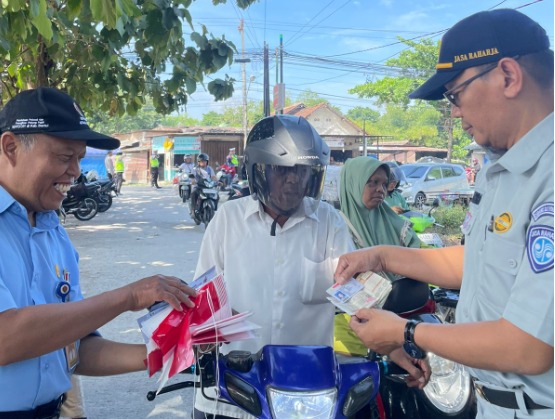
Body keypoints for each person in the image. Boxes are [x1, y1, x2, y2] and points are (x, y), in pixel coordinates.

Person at [334, 9, 553, 419]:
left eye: (455, 94)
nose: (453, 112)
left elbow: (529, 347)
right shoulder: (500, 169)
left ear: (508, 76)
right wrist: (380, 256)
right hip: (492, 401)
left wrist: (406, 332)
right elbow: (476, 262)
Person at [192, 115, 428, 418]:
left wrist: (393, 346)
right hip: (236, 390)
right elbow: (203, 297)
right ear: (260, 171)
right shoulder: (227, 220)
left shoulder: (329, 222)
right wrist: (200, 343)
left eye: (302, 170)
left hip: (308, 393)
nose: (294, 179)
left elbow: (353, 297)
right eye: (283, 169)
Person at [0, 87, 197, 416]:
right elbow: (6, 338)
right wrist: (127, 297)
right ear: (10, 147)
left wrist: (164, 351)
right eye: (65, 157)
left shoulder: (55, 235)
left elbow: (74, 348)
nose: (76, 171)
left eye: (79, 157)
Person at [339, 157, 421, 280]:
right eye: (373, 182)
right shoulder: (336, 228)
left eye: (384, 184)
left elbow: (419, 261)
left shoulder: (397, 226)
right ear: (353, 184)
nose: (380, 190)